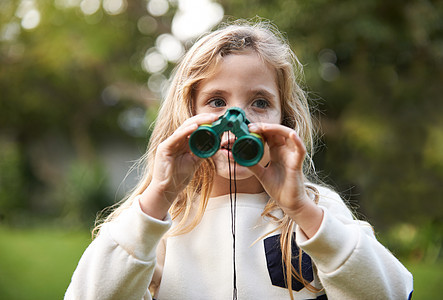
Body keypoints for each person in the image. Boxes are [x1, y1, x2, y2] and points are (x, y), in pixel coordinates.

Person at [65, 19, 413, 300]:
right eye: (216, 101)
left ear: (284, 121)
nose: (238, 119)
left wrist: (302, 210)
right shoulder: (159, 222)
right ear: (188, 115)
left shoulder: (317, 210)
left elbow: (394, 292)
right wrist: (159, 196)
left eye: (260, 103)